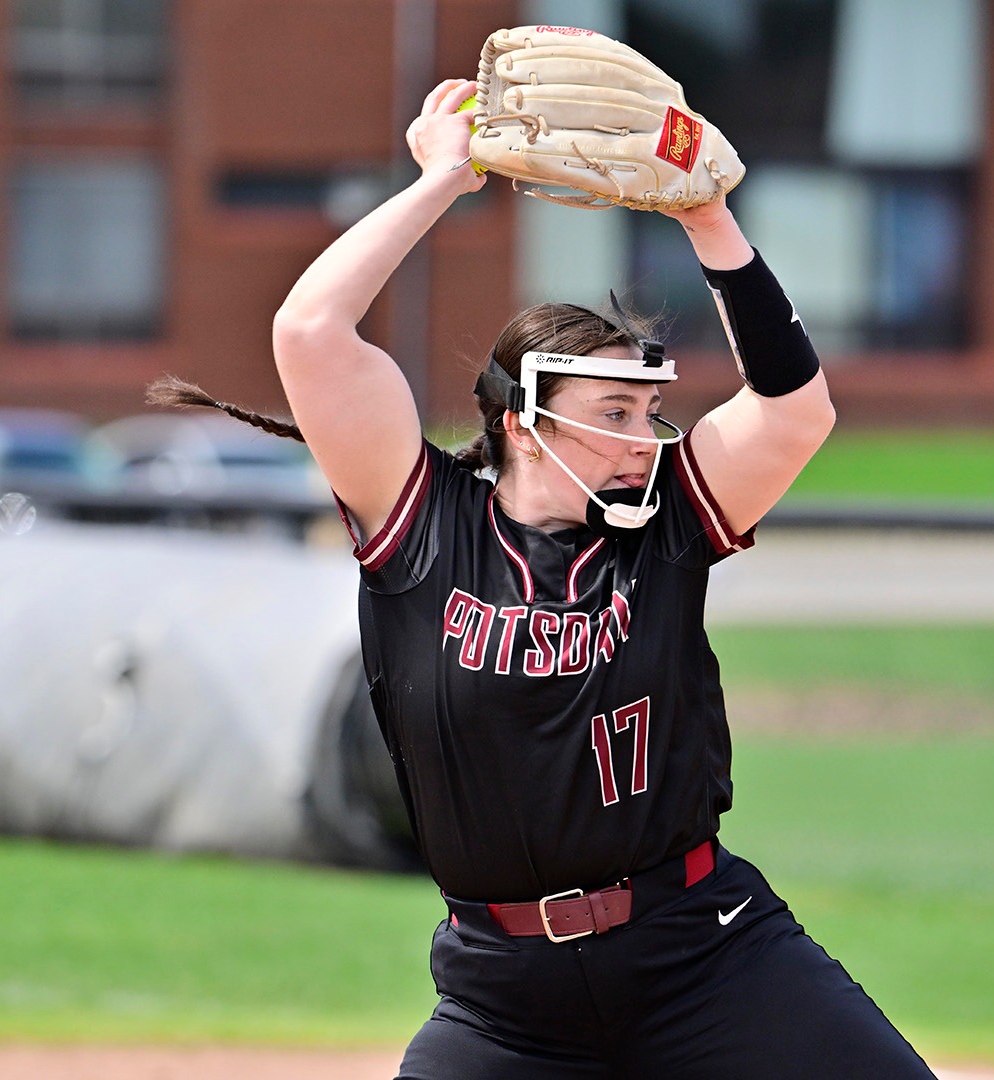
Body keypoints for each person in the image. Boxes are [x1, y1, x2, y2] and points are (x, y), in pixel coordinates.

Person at [158, 79, 936, 1078]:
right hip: (503, 1000)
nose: (639, 439)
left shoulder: (663, 530)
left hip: (703, 955)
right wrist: (445, 177)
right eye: (610, 414)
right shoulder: (425, 524)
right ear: (523, 423)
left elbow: (793, 411)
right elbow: (311, 333)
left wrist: (709, 221)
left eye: (645, 413)